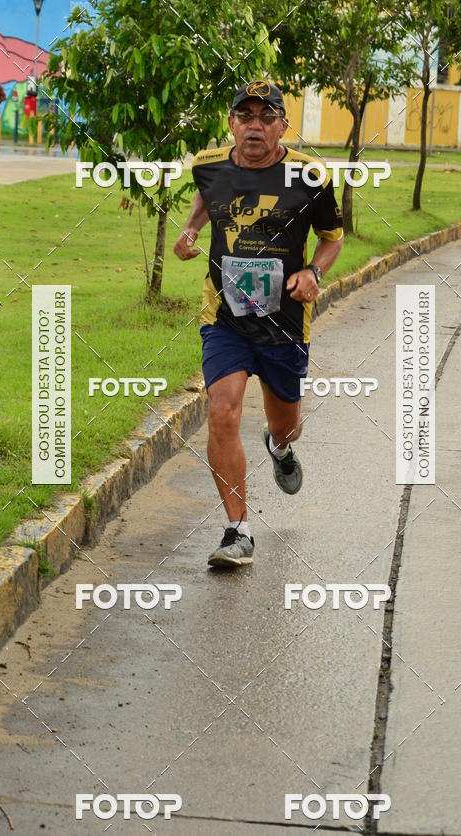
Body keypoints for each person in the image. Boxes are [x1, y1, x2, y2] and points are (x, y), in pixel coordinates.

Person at [174, 80, 344, 568]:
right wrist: (190, 232)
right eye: (244, 115)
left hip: (285, 321)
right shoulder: (209, 166)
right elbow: (208, 203)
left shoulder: (310, 176)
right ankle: (237, 530)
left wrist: (313, 272)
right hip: (225, 316)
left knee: (285, 423)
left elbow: (332, 238)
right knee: (222, 409)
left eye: (265, 117)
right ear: (231, 123)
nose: (254, 125)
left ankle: (279, 447)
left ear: (282, 126)